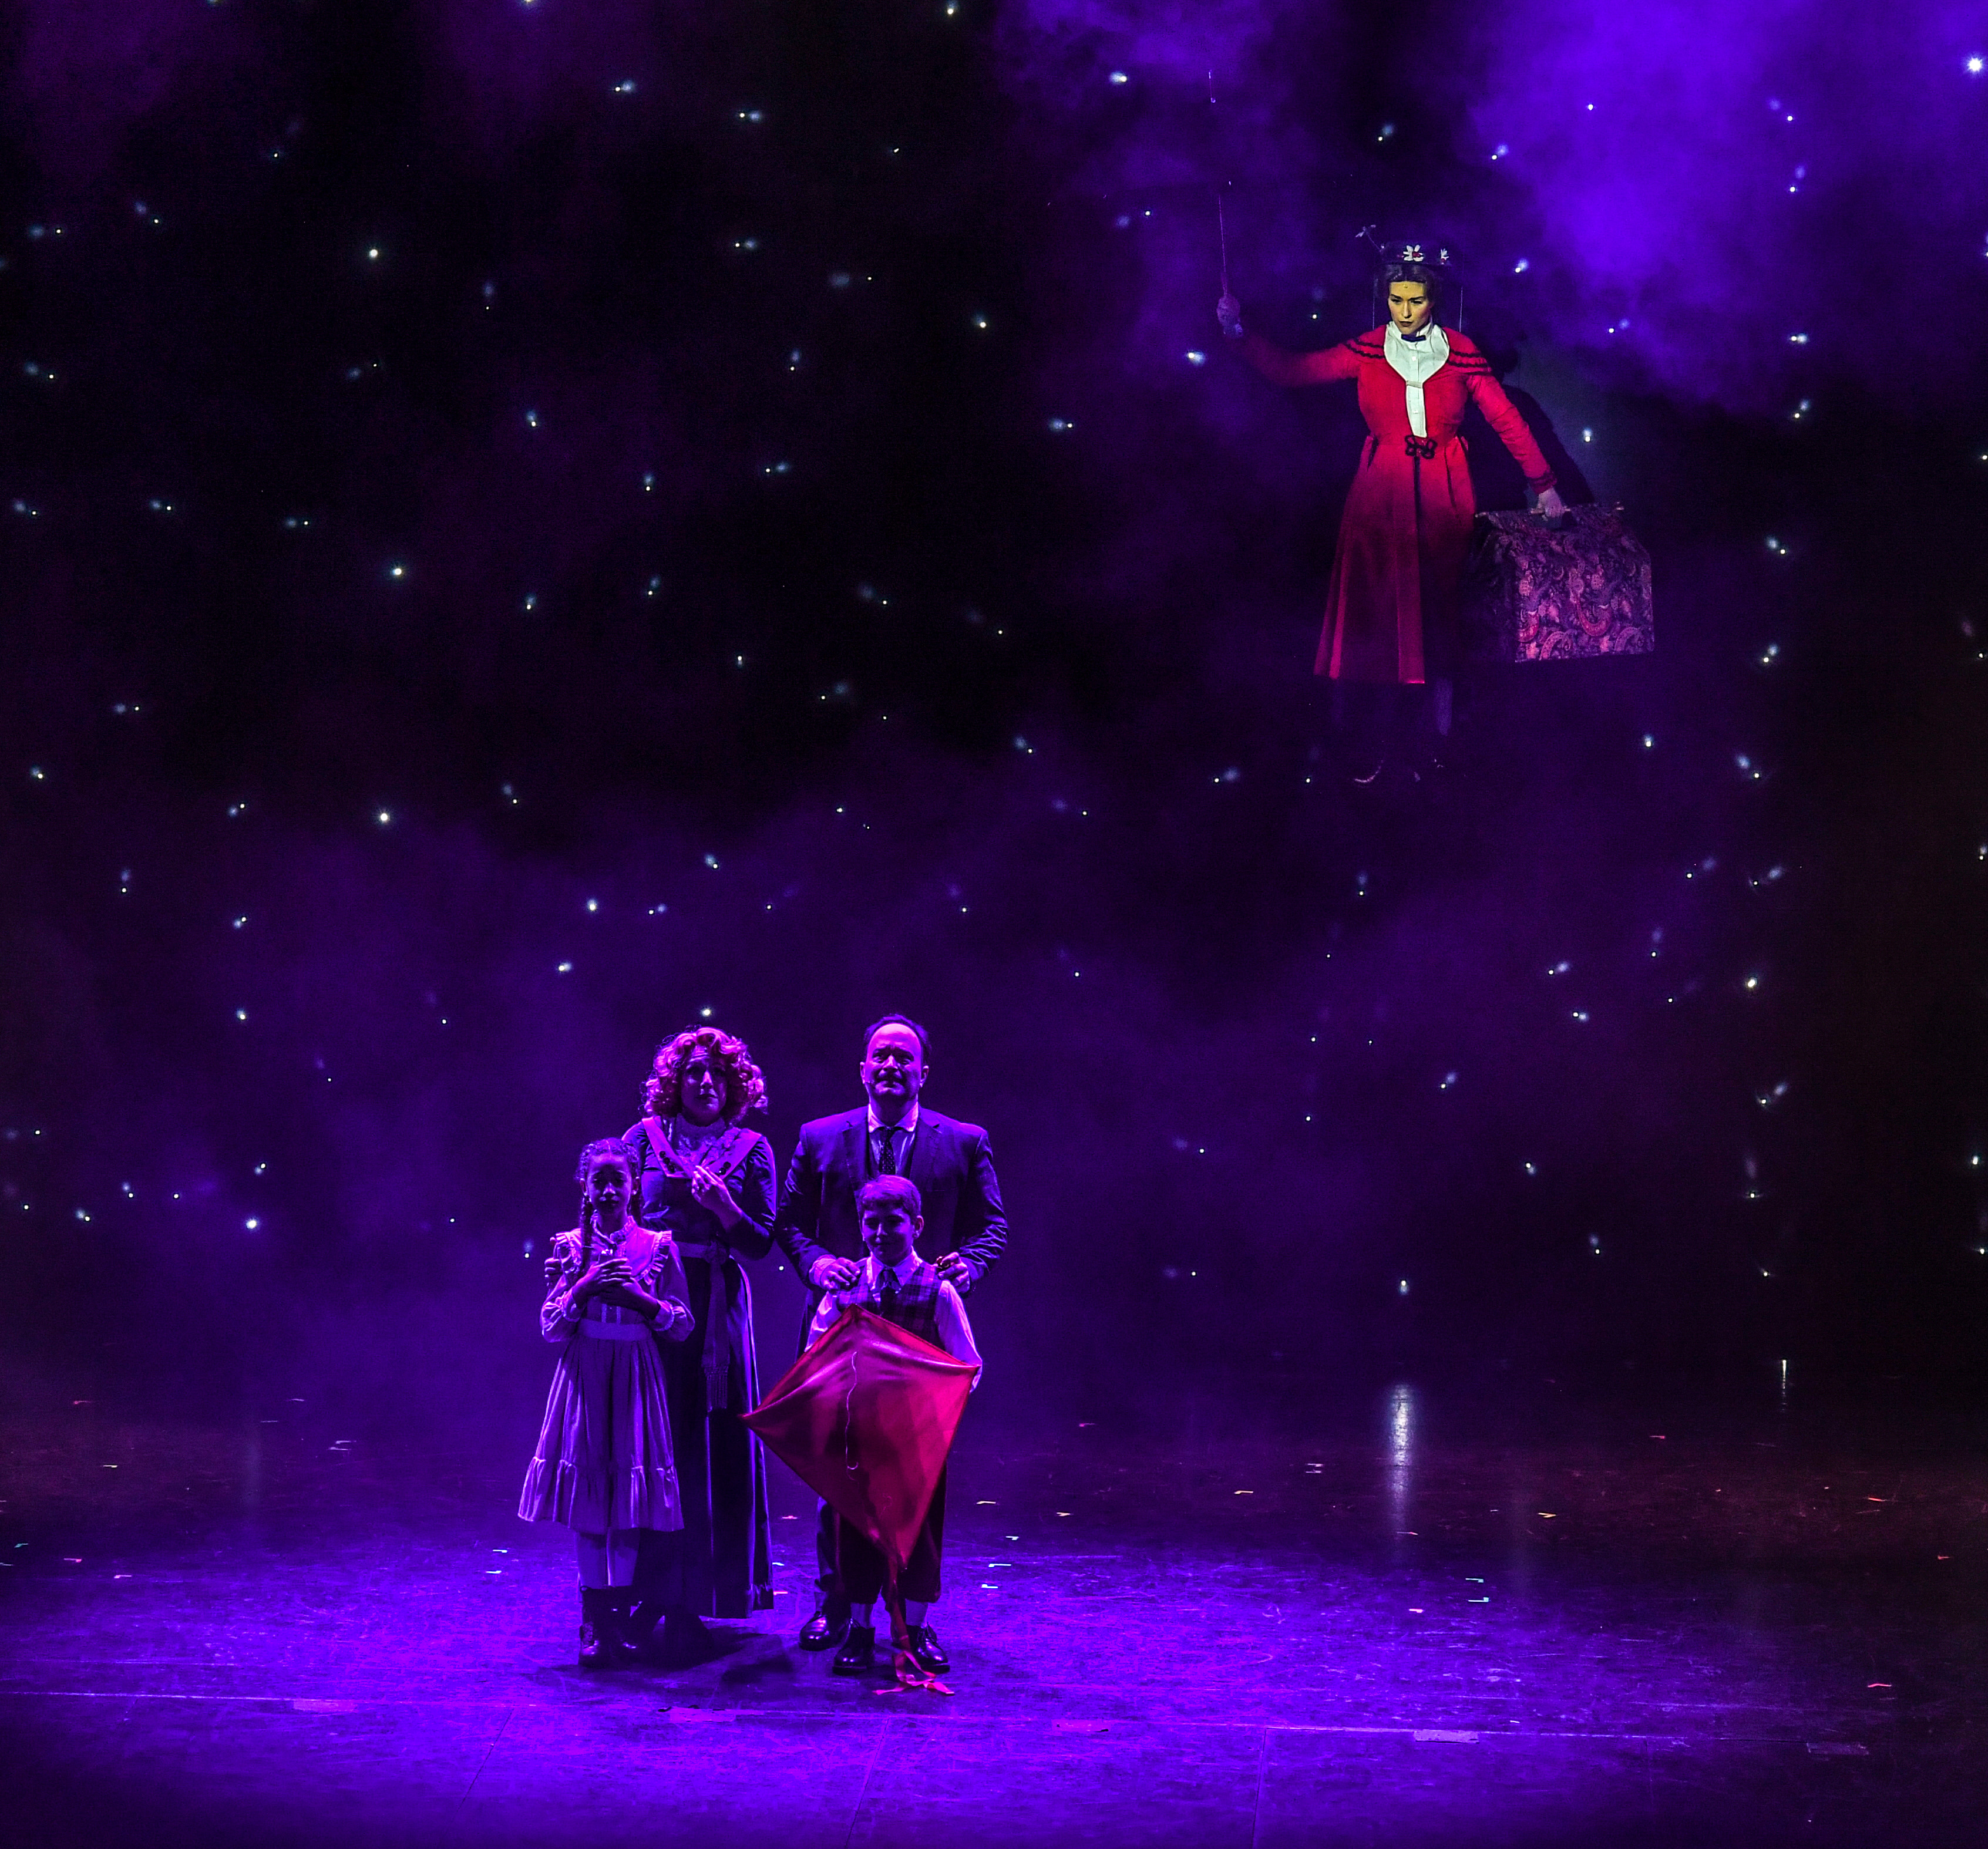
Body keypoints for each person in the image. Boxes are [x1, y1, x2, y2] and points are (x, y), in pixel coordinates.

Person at [1219, 249, 1570, 780]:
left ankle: (1432, 742)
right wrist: (1238, 331)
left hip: (1442, 498)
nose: (1404, 311)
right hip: (1377, 499)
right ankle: (1373, 741)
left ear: (1435, 299)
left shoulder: (1461, 354)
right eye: (1396, 299)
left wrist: (1544, 484)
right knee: (1377, 619)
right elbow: (1293, 371)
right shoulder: (1366, 348)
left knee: (1436, 623)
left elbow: (1506, 418)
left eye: (1416, 300)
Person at [774, 1012, 1007, 1661]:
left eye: (904, 1057)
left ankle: (914, 1615)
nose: (890, 1066)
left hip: (919, 1342)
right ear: (862, 1067)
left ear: (923, 1071)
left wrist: (968, 1262)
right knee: (839, 1478)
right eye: (880, 1055)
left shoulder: (961, 1141)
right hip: (843, 1331)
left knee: (917, 1484)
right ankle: (839, 1606)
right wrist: (819, 1263)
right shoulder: (821, 1138)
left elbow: (992, 1226)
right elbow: (788, 1222)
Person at [618, 1026, 779, 1659]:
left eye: (716, 1073)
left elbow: (763, 1242)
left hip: (714, 1306)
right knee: (649, 1446)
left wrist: (725, 1210)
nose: (705, 1081)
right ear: (674, 1082)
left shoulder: (752, 1148)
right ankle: (638, 1591)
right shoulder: (641, 1140)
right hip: (654, 1301)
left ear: (733, 1084)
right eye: (692, 1072)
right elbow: (613, 1215)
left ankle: (692, 1598)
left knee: (707, 1451)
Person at [519, 1137, 694, 1668]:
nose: (610, 1188)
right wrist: (583, 1287)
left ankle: (617, 1616)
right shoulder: (570, 1247)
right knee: (591, 1505)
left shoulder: (660, 1245)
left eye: (619, 1177)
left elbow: (681, 1324)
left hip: (636, 1374)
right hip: (587, 1376)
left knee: (630, 1504)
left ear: (634, 1183)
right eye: (600, 1179)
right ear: (586, 1186)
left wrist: (640, 1299)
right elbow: (550, 1326)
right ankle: (593, 1619)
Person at [805, 1175, 982, 1677]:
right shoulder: (845, 1289)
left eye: (893, 1221)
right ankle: (860, 1628)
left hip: (916, 1440)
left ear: (917, 1224)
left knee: (918, 1532)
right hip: (859, 1436)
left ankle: (917, 1625)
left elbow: (967, 1364)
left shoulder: (938, 1290)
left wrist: (933, 1406)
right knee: (855, 1532)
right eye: (871, 1222)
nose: (881, 1232)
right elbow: (816, 1354)